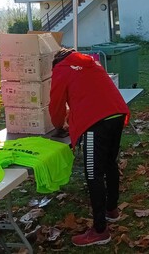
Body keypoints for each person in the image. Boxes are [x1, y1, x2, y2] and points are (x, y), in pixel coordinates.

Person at [49, 48, 129, 247]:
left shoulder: (61, 69)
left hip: (96, 122)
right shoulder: (90, 62)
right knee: (109, 163)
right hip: (117, 113)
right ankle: (112, 209)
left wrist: (59, 124)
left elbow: (56, 104)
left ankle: (100, 230)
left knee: (93, 173)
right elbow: (90, 92)